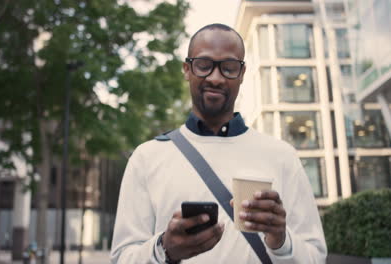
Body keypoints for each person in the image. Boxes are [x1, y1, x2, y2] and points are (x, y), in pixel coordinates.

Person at [110, 23, 327, 264]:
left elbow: (315, 257)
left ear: (242, 74)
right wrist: (164, 249)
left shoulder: (282, 156)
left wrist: (281, 240)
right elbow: (122, 258)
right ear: (187, 69)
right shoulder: (147, 157)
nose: (215, 78)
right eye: (204, 65)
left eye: (229, 67)